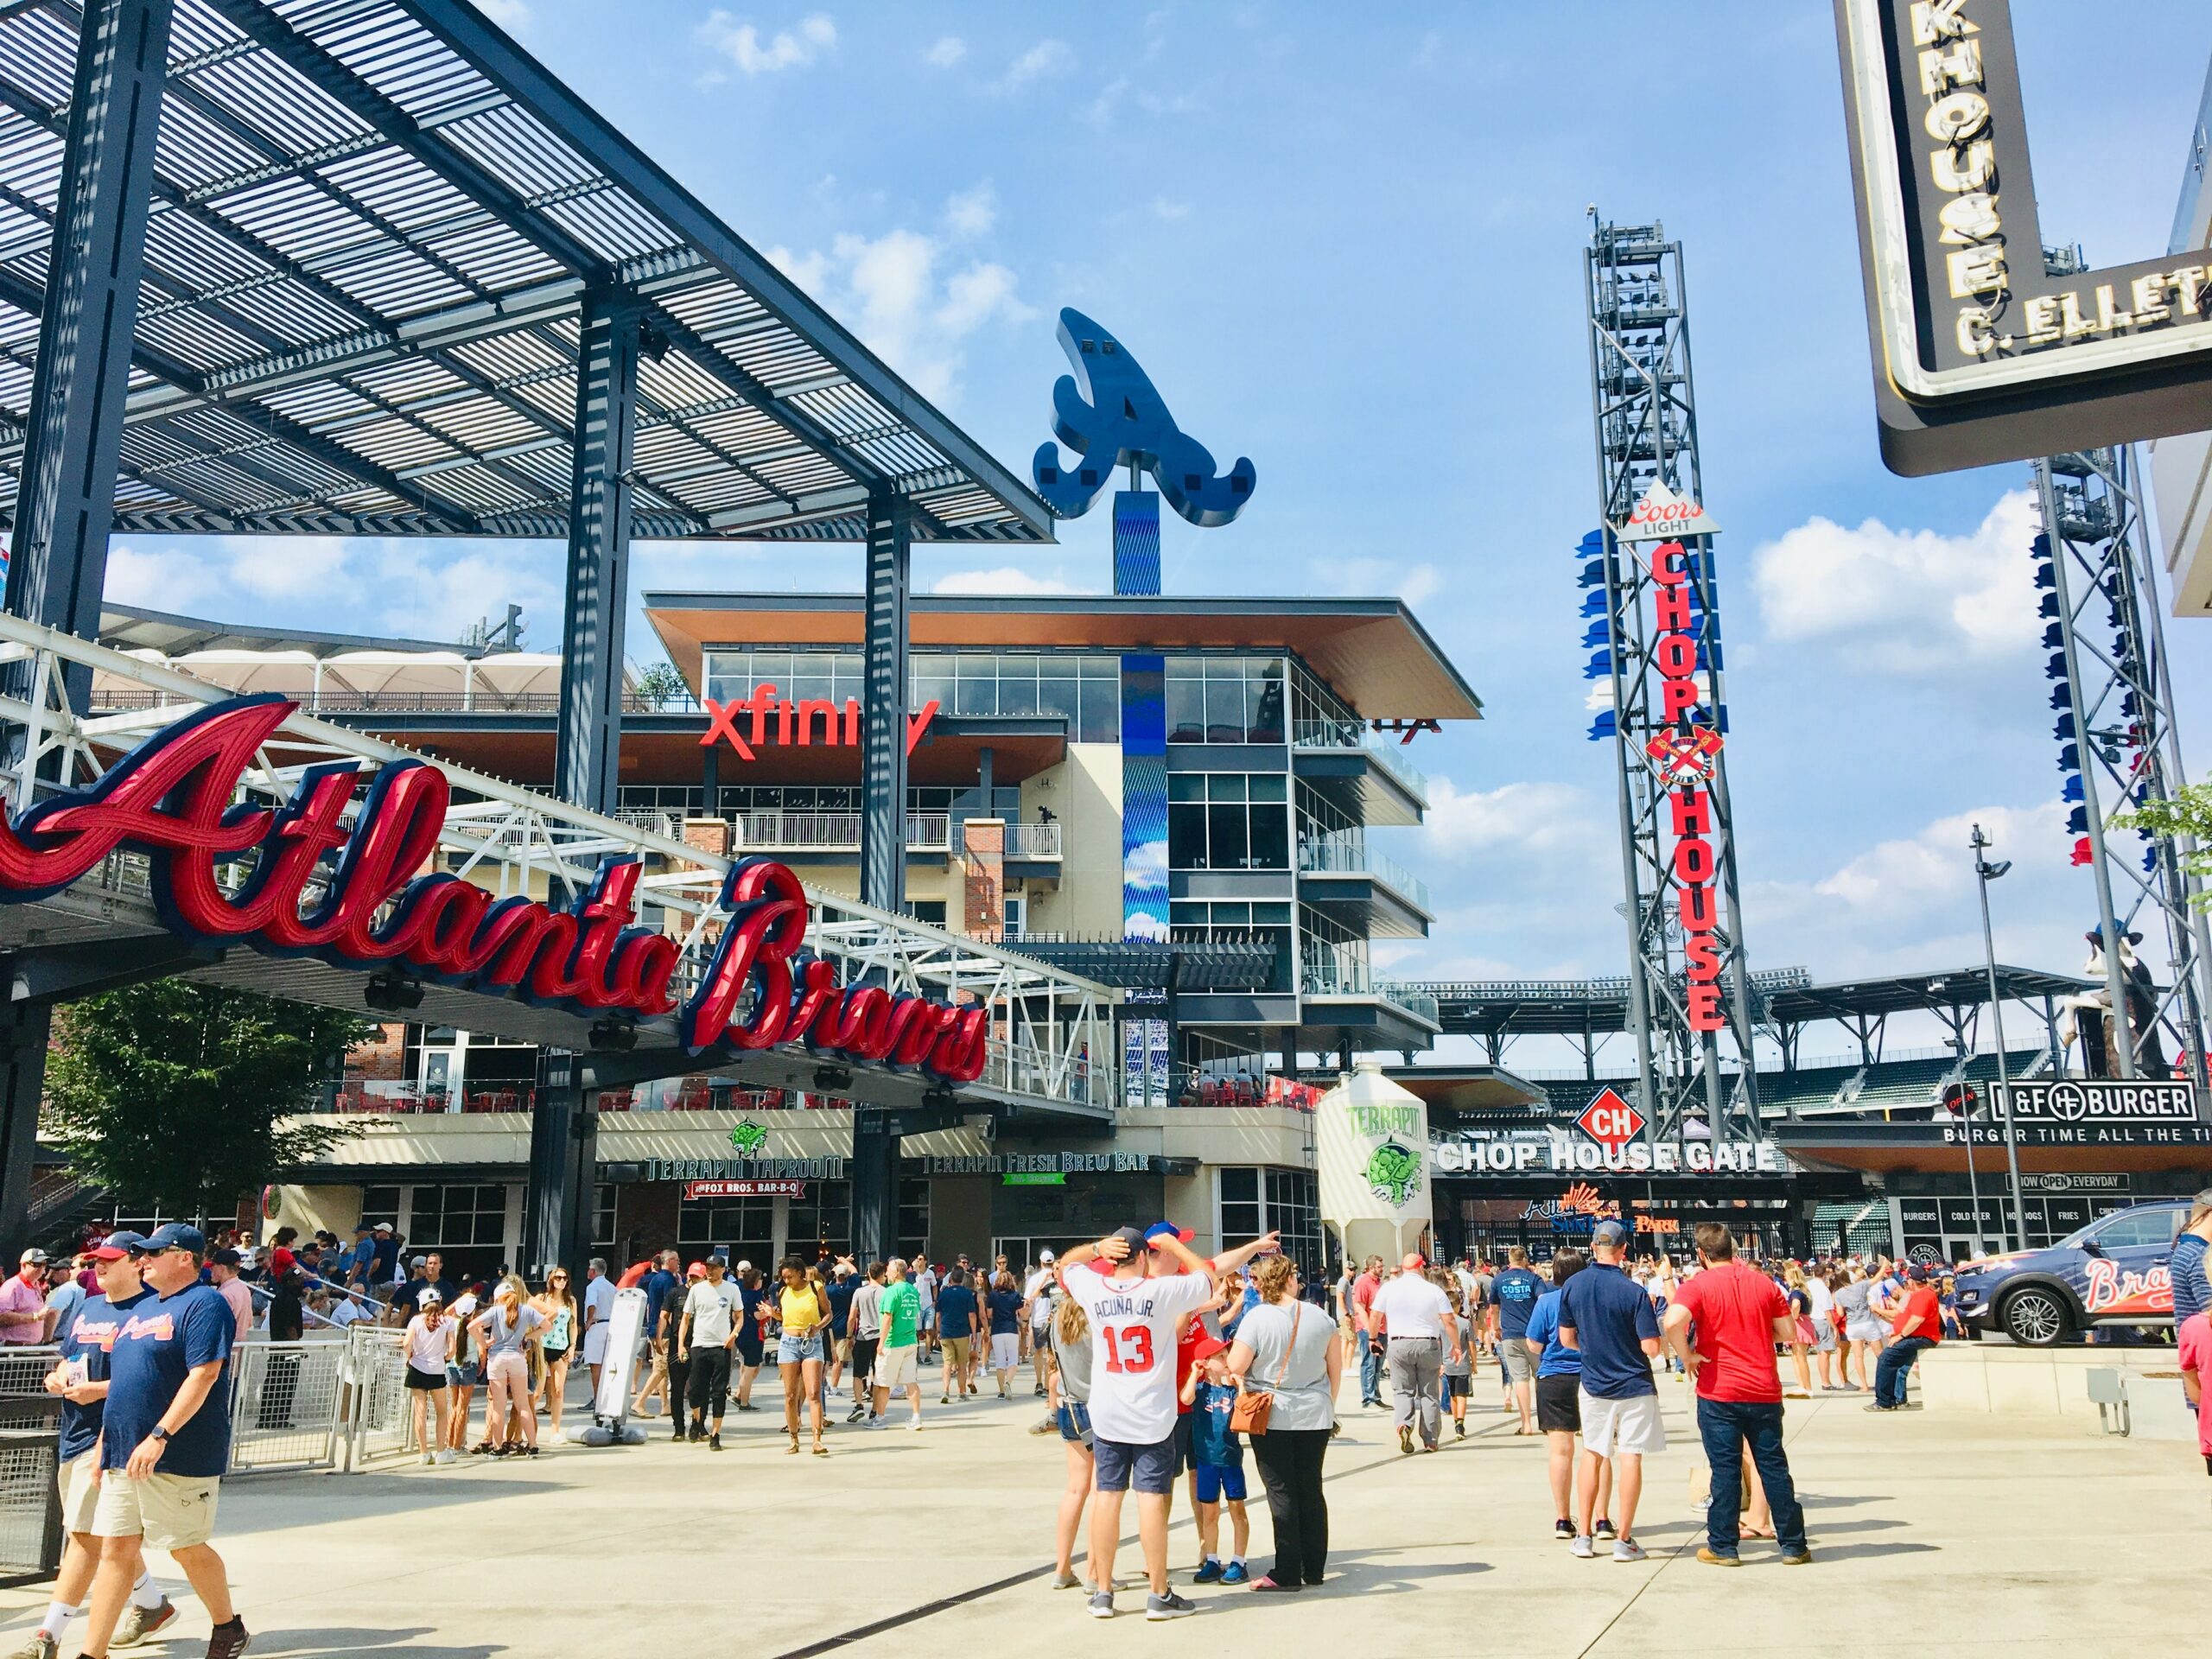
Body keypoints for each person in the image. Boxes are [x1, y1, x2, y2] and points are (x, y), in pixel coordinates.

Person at [1057, 1224, 1279, 1620]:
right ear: (1144, 1257)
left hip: (1108, 1411)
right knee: (1150, 1499)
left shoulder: (1093, 1289)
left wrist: (1094, 1247)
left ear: (1112, 1256)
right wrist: (1176, 1244)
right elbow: (1209, 1277)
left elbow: (1064, 1267)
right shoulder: (1160, 1292)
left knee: (1107, 1495)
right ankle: (1159, 1593)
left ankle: (1102, 1591)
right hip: (1152, 1414)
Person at [75, 1224, 247, 1659]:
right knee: (116, 1550)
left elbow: (204, 1373)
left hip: (176, 1453)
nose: (143, 1260)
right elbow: (130, 1382)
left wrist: (160, 1435)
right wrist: (105, 1441)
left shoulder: (205, 1303)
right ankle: (91, 1653)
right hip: (122, 1450)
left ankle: (228, 1626)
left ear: (185, 1257)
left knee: (185, 1546)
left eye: (154, 1252)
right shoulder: (142, 1309)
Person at [20, 1234, 173, 1659]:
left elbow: (153, 1380)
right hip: (74, 1431)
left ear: (137, 1263)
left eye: (109, 1260)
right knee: (104, 1536)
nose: (98, 1266)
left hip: (112, 1436)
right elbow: (69, 1358)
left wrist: (99, 1390)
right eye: (95, 1260)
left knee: (85, 1539)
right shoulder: (88, 1306)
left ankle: (47, 1635)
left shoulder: (149, 1310)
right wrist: (59, 1375)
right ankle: (152, 1603)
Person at [1664, 1224, 1812, 1567]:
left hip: (1719, 1389)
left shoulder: (1698, 1285)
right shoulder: (1763, 1283)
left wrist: (1686, 1355)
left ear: (1701, 1254)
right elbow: (1787, 1331)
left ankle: (1723, 1545)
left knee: (1726, 1469)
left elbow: (1672, 1320)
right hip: (1763, 1387)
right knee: (1773, 1466)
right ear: (1733, 1248)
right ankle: (1793, 1544)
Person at [1226, 1249, 1340, 1593]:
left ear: (1263, 1285)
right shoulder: (1321, 1318)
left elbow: (1236, 1364)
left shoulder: (1258, 1319)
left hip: (1272, 1412)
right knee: (1311, 1489)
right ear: (1290, 1279)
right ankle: (1314, 1567)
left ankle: (1287, 1569)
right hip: (1315, 1410)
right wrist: (1325, 1404)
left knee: (1281, 1491)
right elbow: (1334, 1371)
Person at [1556, 1219, 1662, 1563]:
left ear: (1592, 1248)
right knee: (1631, 1455)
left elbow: (1566, 1339)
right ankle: (1624, 1539)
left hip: (1594, 1382)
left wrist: (1592, 1349)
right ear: (1624, 1251)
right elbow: (1651, 1347)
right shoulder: (1634, 1291)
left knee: (1592, 1453)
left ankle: (1584, 1535)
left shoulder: (1573, 1285)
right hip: (1634, 1384)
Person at [1525, 1246, 1612, 1541]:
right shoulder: (1593, 1299)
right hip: (1592, 1376)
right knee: (1598, 1450)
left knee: (1561, 1452)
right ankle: (1601, 1518)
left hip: (1554, 1378)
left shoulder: (1547, 1301)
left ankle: (1563, 1519)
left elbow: (1534, 1344)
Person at [1369, 1252, 1458, 1454]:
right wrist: (1456, 1346)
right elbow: (1449, 1321)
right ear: (1420, 1267)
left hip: (1399, 1343)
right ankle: (1430, 1439)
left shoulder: (1389, 1288)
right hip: (1427, 1343)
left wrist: (1373, 1339)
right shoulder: (1433, 1290)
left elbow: (1375, 1314)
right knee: (1429, 1393)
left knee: (1402, 1391)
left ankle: (1404, 1424)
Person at [1179, 1335, 1250, 1585]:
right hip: (1206, 1460)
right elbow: (1185, 1398)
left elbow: (1245, 1412)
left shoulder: (1232, 1389)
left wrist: (1240, 1386)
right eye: (1220, 1357)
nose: (1226, 1360)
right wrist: (1193, 1373)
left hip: (1230, 1459)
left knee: (1236, 1509)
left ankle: (1239, 1561)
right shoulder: (1200, 1389)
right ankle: (1211, 1559)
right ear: (1206, 1363)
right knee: (1210, 1512)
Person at [1049, 1292, 1097, 1591]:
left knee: (1075, 1489)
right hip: (1095, 1407)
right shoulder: (1094, 1324)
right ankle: (1095, 1572)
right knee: (1100, 1491)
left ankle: (1062, 1567)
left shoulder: (1057, 1322)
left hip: (1068, 1406)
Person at [471, 1277, 544, 1457]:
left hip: (497, 1358)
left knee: (498, 1406)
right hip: (517, 1358)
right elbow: (547, 1325)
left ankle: (497, 1448)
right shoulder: (526, 1310)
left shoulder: (495, 1311)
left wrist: (484, 1343)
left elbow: (472, 1326)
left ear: (498, 1298)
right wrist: (528, 1337)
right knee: (523, 1405)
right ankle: (533, 1446)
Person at [678, 1255, 742, 1450]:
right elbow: (686, 1318)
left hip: (721, 1346)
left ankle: (716, 1434)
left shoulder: (732, 1289)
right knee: (696, 1390)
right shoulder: (697, 1290)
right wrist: (681, 1344)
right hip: (699, 1344)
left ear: (723, 1269)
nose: (710, 1271)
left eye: (714, 1268)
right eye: (708, 1267)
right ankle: (697, 1420)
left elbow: (739, 1316)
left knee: (719, 1392)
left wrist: (734, 1334)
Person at [773, 1254, 833, 1455]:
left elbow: (828, 1314)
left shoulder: (816, 1288)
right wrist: (772, 1314)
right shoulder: (783, 1292)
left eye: (790, 1276)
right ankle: (793, 1438)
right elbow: (784, 1317)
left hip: (812, 1342)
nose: (786, 1281)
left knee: (813, 1392)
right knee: (790, 1395)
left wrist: (817, 1328)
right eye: (784, 1277)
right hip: (789, 1342)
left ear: (800, 1274)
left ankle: (817, 1439)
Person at [1870, 1266, 1943, 1412]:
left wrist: (1901, 1335)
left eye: (1908, 1279)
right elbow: (1906, 1317)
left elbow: (1917, 1320)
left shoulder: (1923, 1295)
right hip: (1915, 1335)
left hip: (1922, 1337)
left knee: (1886, 1358)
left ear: (1911, 1281)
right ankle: (1894, 1398)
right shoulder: (1919, 1294)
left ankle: (1884, 1401)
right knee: (1894, 1363)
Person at [1491, 1246, 1544, 1435]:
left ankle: (1526, 1424)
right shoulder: (1534, 1279)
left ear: (1510, 1259)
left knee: (1520, 1379)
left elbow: (1494, 1307)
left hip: (1510, 1334)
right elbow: (1543, 1301)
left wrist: (1495, 1328)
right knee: (1541, 1376)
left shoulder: (1498, 1279)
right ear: (1525, 1260)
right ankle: (1545, 1421)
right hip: (1534, 1334)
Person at [403, 1288, 455, 1466]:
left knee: (420, 1412)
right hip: (437, 1370)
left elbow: (407, 1343)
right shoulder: (448, 1321)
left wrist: (409, 1356)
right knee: (442, 1412)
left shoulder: (416, 1320)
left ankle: (423, 1453)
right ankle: (441, 1452)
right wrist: (445, 1359)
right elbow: (452, 1350)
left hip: (417, 1368)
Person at [872, 1258, 924, 1431]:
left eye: (888, 1270)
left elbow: (887, 1318)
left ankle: (880, 1418)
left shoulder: (891, 1292)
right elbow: (916, 1314)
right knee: (910, 1381)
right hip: (910, 1341)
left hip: (893, 1342)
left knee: (884, 1382)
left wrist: (881, 1343)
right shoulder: (912, 1290)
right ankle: (916, 1417)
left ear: (896, 1272)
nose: (886, 1273)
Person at [631, 1250, 682, 1420]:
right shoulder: (669, 1280)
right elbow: (670, 1307)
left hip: (653, 1327)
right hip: (664, 1329)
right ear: (669, 1261)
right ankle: (639, 1402)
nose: (679, 1263)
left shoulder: (655, 1279)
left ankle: (665, 1404)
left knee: (660, 1367)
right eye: (677, 1260)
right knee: (661, 1369)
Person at [532, 1269, 578, 1442]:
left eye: (565, 1278)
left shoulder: (570, 1301)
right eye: (558, 1278)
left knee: (558, 1390)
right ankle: (527, 1428)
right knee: (537, 1391)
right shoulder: (541, 1299)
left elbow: (573, 1325)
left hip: (561, 1346)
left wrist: (573, 1346)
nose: (562, 1281)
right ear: (551, 1280)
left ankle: (555, 1431)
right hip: (542, 1346)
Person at [443, 1284, 482, 1454]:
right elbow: (482, 1349)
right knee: (462, 1407)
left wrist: (462, 1300)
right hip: (468, 1367)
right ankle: (457, 1446)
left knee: (454, 1406)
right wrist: (483, 1364)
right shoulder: (475, 1325)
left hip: (452, 1366)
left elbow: (446, 1312)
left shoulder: (451, 1323)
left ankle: (449, 1442)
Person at [1437, 1271, 1475, 1440]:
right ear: (1459, 1305)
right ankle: (1460, 1421)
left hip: (1447, 1363)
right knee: (1462, 1395)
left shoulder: (1439, 1325)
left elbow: (1437, 1345)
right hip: (1463, 1364)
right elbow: (1472, 1345)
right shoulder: (1465, 1323)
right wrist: (1474, 1363)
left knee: (1452, 1394)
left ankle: (1455, 1419)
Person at [847, 1261, 885, 1425]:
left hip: (863, 1335)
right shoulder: (886, 1292)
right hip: (880, 1337)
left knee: (858, 1373)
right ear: (882, 1275)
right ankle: (875, 1409)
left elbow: (852, 1316)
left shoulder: (859, 1292)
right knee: (878, 1375)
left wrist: (849, 1336)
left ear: (868, 1274)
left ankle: (858, 1404)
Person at [1834, 1267, 1882, 1393]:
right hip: (1867, 1322)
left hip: (1853, 1325)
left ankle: (1864, 1385)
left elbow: (1839, 1313)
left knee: (1858, 1357)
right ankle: (1883, 1382)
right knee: (1880, 1355)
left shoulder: (1838, 1294)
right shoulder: (1860, 1286)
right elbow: (1876, 1279)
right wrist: (1883, 1266)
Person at [936, 1267, 980, 1402]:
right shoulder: (967, 1294)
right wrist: (974, 1333)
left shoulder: (943, 1293)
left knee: (947, 1363)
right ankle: (961, 1392)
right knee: (962, 1363)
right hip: (962, 1332)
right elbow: (972, 1315)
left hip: (946, 1331)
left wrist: (938, 1331)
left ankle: (945, 1391)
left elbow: (938, 1315)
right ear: (962, 1280)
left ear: (950, 1279)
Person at [2171, 1191, 2212, 1327]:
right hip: (2205, 1344)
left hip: (2192, 1341)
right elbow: (2209, 1310)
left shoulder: (2186, 1247)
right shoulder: (2199, 1255)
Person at [1349, 1255, 1384, 1408]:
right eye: (1379, 1267)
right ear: (1371, 1268)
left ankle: (1376, 1395)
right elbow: (1360, 1309)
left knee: (1378, 1366)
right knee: (1369, 1363)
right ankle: (1368, 1398)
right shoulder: (1363, 1283)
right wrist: (1371, 1333)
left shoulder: (1379, 1282)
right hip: (1368, 1329)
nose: (1382, 1269)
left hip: (1382, 1328)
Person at [733, 1263, 768, 1411]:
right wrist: (769, 1312)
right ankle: (744, 1403)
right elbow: (757, 1314)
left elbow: (735, 1315)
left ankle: (740, 1395)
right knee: (750, 1369)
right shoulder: (755, 1295)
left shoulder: (740, 1293)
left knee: (752, 1365)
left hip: (741, 1332)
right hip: (752, 1333)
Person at [0, 1249, 51, 1345]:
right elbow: (2, 1317)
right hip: (14, 1351)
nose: (42, 1268)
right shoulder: (13, 1286)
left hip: (31, 1349)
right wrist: (35, 1317)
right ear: (24, 1265)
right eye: (37, 1264)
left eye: (44, 1264)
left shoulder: (36, 1286)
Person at [986, 1269, 1024, 1398]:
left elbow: (989, 1314)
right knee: (1013, 1360)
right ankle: (1008, 1382)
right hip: (1011, 1328)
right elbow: (1022, 1312)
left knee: (1000, 1361)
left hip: (997, 1329)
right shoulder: (1015, 1295)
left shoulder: (993, 1295)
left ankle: (1001, 1391)